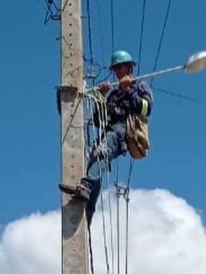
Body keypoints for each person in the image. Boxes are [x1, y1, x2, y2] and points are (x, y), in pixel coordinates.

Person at [59, 50, 153, 223]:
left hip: (125, 131)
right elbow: (98, 120)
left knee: (101, 153)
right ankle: (89, 208)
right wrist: (101, 98)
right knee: (95, 160)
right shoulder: (114, 94)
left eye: (121, 67)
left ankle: (86, 186)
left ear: (129, 68)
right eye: (116, 68)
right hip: (109, 130)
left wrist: (129, 91)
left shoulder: (139, 86)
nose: (118, 71)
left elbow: (146, 109)